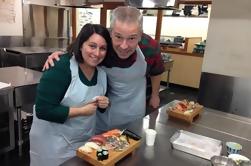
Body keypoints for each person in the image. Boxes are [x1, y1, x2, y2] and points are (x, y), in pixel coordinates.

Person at [43, 6, 164, 133]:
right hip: (105, 110)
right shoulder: (102, 41)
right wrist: (61, 55)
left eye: (132, 38)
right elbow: (81, 49)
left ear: (140, 35)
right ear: (111, 32)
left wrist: (155, 95)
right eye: (118, 37)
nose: (123, 46)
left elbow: (156, 71)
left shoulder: (150, 47)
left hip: (135, 110)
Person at [29, 23, 111, 166]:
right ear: (80, 45)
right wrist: (81, 111)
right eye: (92, 46)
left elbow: (98, 104)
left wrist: (104, 104)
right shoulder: (61, 67)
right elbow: (43, 110)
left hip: (83, 142)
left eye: (103, 48)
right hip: (53, 145)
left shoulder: (102, 74)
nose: (97, 53)